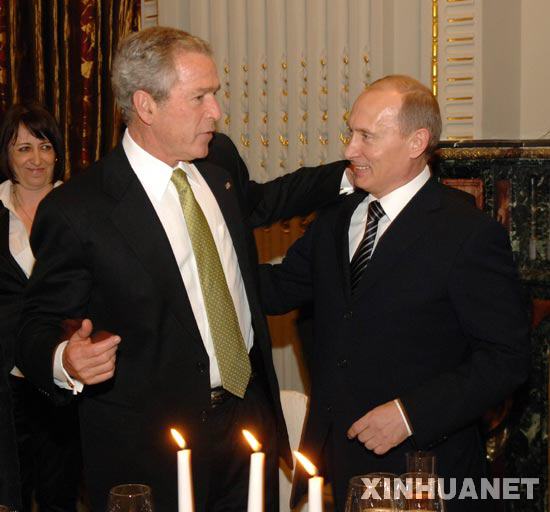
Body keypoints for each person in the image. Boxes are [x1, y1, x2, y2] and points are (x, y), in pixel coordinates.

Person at [15, 27, 347, 512]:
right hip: (149, 448)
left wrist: (351, 172)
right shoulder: (78, 210)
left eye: (215, 94)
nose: (216, 111)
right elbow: (33, 325)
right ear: (145, 105)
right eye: (199, 97)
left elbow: (263, 202)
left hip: (247, 422)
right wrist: (65, 359)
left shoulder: (218, 162)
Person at [259, 75, 530, 511]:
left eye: (367, 136)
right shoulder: (336, 219)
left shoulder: (466, 233)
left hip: (424, 469)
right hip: (339, 461)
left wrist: (410, 415)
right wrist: (196, 264)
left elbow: (506, 359)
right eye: (351, 133)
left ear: (416, 142)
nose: (350, 149)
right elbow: (275, 290)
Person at [0, 104, 81, 511]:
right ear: (7, 154)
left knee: (60, 495)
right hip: (5, 380)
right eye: (24, 148)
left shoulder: (81, 209)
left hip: (62, 380)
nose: (36, 159)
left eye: (45, 146)